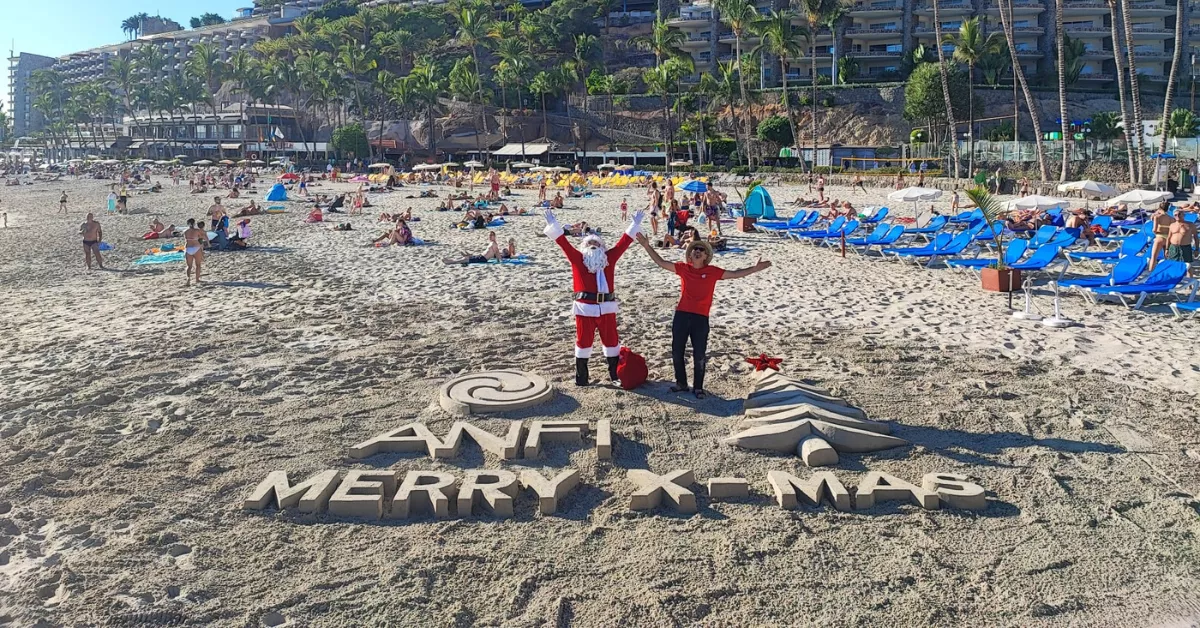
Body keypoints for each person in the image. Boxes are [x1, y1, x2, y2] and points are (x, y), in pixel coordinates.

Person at [635, 234, 771, 399]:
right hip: (682, 315)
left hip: (700, 318)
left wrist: (754, 269)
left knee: (699, 354)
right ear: (690, 255)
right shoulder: (683, 269)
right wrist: (646, 246)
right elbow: (661, 262)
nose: (697, 251)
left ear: (706, 256)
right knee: (677, 351)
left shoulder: (713, 272)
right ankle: (681, 383)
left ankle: (698, 387)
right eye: (694, 249)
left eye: (701, 249)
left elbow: (735, 274)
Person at [544, 206, 645, 386]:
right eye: (589, 243)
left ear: (602, 248)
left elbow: (623, 243)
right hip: (585, 309)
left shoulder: (609, 260)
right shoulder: (578, 260)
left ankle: (615, 376)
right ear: (583, 247)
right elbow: (563, 243)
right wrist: (553, 224)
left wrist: (634, 224)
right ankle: (582, 378)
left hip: (607, 308)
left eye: (596, 243)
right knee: (583, 343)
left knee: (612, 342)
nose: (593, 245)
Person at [1165, 210, 1197, 274]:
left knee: (1188, 266)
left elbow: (1196, 237)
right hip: (1173, 247)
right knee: (1173, 264)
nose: (1177, 216)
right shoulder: (1172, 225)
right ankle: (1175, 278)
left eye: (1179, 214)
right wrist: (1167, 249)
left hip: (1186, 247)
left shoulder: (1190, 225)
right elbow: (1168, 237)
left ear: (1183, 215)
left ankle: (1190, 280)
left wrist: (1197, 249)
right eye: (1175, 215)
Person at [1149, 202, 1175, 271]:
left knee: (1154, 257)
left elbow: (1154, 230)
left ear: (1160, 208)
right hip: (1168, 239)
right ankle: (1168, 272)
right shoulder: (1172, 219)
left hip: (1160, 238)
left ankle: (1150, 273)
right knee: (1167, 258)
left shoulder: (1157, 217)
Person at [183, 218, 208, 285]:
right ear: (194, 223)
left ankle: (188, 278)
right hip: (196, 248)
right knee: (198, 265)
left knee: (189, 266)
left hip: (188, 249)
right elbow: (201, 239)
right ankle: (197, 279)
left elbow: (186, 240)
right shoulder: (197, 231)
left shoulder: (185, 231)